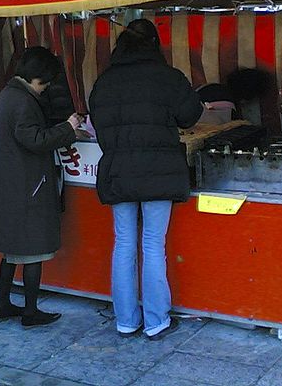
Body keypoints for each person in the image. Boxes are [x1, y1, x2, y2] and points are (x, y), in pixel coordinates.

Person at [89, 19, 203, 340]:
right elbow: (190, 115)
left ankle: (126, 320)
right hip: (159, 172)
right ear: (154, 44)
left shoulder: (104, 81)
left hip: (119, 173)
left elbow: (96, 119)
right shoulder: (168, 78)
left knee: (123, 243)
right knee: (153, 244)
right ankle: (156, 322)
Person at [0, 46, 83, 328]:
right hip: (26, 186)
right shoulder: (23, 101)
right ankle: (30, 311)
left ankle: (3, 304)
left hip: (12, 184)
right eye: (45, 81)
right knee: (32, 250)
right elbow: (34, 139)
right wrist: (68, 128)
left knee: (11, 251)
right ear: (37, 77)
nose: (46, 86)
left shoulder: (8, 94)